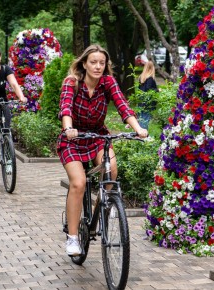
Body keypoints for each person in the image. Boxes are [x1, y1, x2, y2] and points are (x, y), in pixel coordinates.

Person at [58, 44, 148, 256]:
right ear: (84, 64)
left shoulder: (108, 82)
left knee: (111, 169)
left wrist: (138, 129)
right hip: (73, 139)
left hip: (98, 136)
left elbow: (122, 105)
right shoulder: (72, 82)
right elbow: (66, 108)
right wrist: (69, 128)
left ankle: (104, 206)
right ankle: (72, 238)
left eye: (102, 63)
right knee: (78, 183)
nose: (98, 67)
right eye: (93, 62)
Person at [137, 60, 158, 129]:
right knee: (145, 119)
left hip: (141, 101)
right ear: (152, 68)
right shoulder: (150, 78)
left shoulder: (141, 77)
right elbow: (148, 89)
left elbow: (139, 89)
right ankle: (143, 135)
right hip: (148, 102)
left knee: (141, 118)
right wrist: (157, 90)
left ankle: (138, 133)